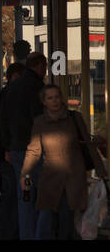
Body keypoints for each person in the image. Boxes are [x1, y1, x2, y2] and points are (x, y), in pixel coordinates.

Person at [22, 85, 107, 239]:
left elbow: (88, 145)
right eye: (50, 98)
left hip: (73, 176)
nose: (54, 101)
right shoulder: (40, 122)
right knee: (50, 220)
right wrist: (25, 174)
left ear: (61, 98)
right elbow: (34, 151)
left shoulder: (74, 118)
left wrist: (101, 171)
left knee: (67, 219)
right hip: (51, 178)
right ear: (44, 102)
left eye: (57, 96)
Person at [1, 52, 47, 240]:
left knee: (25, 196)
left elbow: (2, 119)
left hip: (18, 152)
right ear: (40, 66)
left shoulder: (12, 89)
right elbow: (39, 120)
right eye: (45, 66)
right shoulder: (36, 88)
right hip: (36, 152)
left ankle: (27, 235)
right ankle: (42, 235)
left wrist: (7, 147)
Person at [0, 62, 25, 239]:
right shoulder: (10, 98)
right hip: (9, 154)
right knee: (12, 192)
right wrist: (8, 149)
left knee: (10, 192)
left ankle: (8, 230)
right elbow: (4, 127)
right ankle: (9, 230)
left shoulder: (3, 97)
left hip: (6, 153)